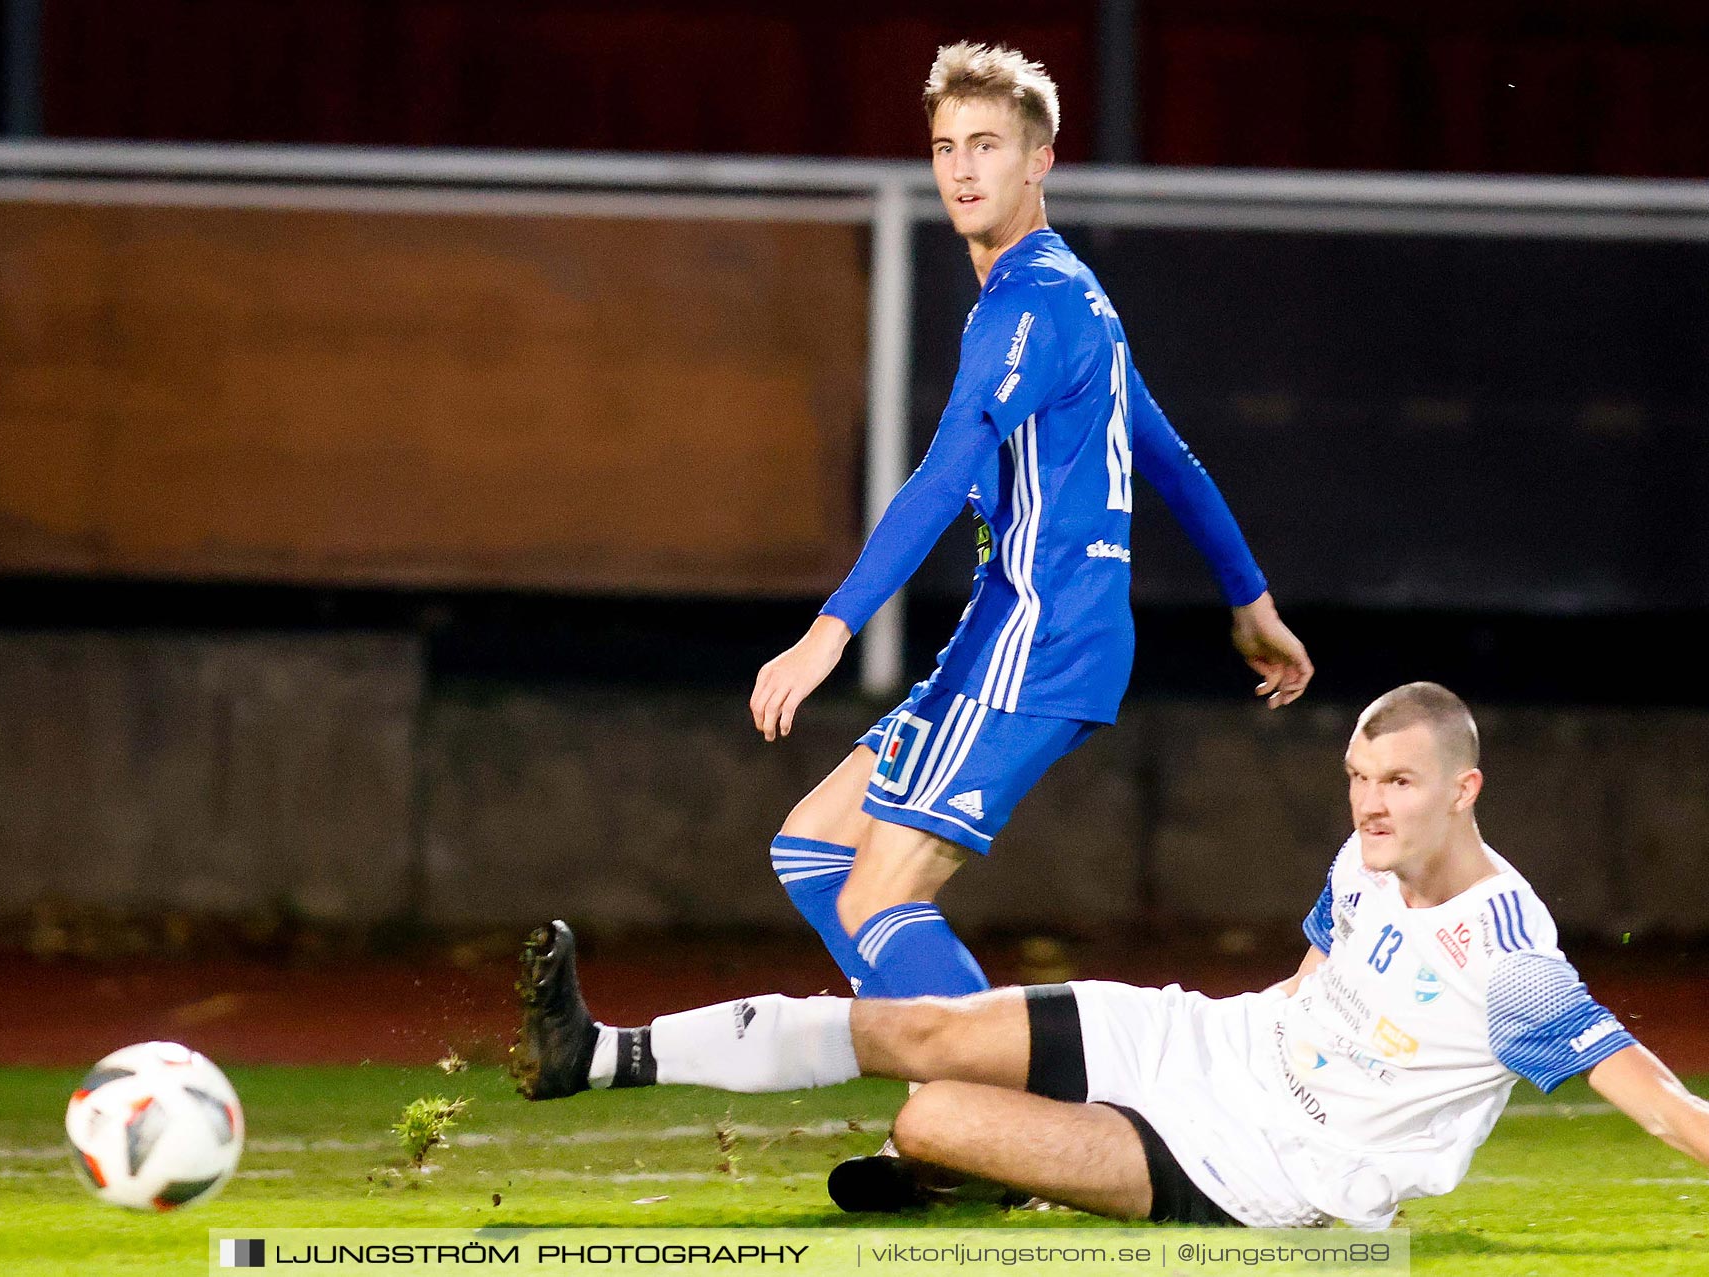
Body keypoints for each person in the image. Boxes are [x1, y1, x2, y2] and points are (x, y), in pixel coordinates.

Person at [516, 683, 1709, 1228]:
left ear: (1466, 787)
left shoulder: (1508, 951)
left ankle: (970, 1166)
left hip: (1263, 1167)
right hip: (1206, 1040)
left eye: (1396, 780)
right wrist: (1209, 1035)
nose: (1370, 801)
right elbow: (1309, 980)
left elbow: (1648, 1093)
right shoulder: (1362, 860)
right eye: (1356, 775)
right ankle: (599, 1053)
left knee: (935, 1110)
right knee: (925, 1025)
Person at [749, 42, 1312, 1004]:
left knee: (874, 898)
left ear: (1039, 161)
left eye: (988, 145)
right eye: (944, 147)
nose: (962, 169)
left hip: (1041, 638)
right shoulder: (1071, 291)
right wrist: (1250, 601)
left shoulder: (1029, 304)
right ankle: (963, 1102)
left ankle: (1010, 1108)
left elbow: (941, 474)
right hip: (1015, 630)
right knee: (814, 851)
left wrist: (827, 632)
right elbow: (1165, 456)